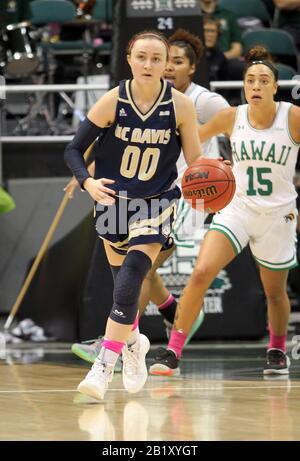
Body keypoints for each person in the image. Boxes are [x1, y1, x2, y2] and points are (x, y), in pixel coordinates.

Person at [67, 28, 229, 366]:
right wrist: (85, 180)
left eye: (158, 59)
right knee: (133, 276)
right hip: (117, 200)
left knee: (136, 272)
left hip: (163, 198)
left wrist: (218, 172)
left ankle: (110, 357)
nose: (149, 64)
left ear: (168, 64)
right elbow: (80, 148)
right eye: (141, 57)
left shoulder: (187, 104)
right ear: (129, 60)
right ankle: (152, 325)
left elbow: (201, 153)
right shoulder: (114, 99)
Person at [150, 45, 300, 377]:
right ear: (244, 86)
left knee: (274, 292)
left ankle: (276, 347)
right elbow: (191, 138)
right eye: (251, 81)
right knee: (202, 273)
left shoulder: (291, 117)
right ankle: (173, 351)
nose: (256, 86)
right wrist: (208, 166)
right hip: (238, 208)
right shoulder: (232, 116)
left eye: (263, 81)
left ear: (275, 87)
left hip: (278, 215)